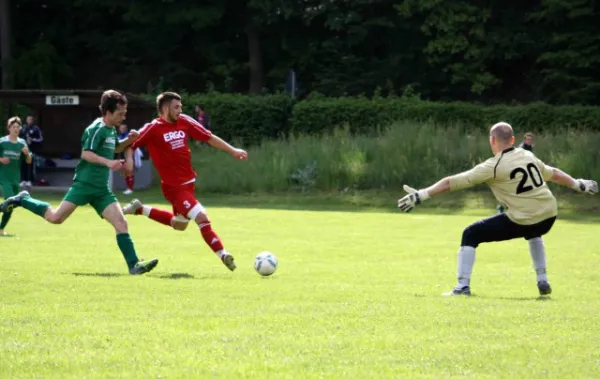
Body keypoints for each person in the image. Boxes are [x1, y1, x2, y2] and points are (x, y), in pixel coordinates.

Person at [397, 122, 598, 297]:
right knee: (533, 231)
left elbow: (452, 182)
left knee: (471, 234)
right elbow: (553, 173)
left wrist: (421, 195)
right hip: (549, 215)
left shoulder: (492, 166)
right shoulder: (527, 154)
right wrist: (578, 184)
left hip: (524, 218)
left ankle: (462, 286)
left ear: (492, 140)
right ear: (512, 139)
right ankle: (542, 278)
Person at [0, 90, 159, 275]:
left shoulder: (111, 129)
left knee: (121, 223)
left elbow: (115, 147)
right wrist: (108, 162)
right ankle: (23, 199)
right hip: (84, 184)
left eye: (125, 113)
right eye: (120, 114)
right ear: (107, 112)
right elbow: (86, 153)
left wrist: (128, 141)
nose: (124, 117)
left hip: (101, 189)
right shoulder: (96, 128)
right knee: (55, 218)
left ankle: (134, 265)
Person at [122, 92, 248, 271]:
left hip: (188, 184)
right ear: (165, 108)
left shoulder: (185, 121)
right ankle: (223, 254)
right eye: (176, 107)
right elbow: (130, 144)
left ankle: (140, 209)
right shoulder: (153, 128)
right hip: (175, 188)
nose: (180, 110)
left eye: (181, 107)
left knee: (179, 224)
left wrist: (233, 150)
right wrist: (129, 161)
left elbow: (209, 137)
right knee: (202, 218)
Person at [0, 117, 33, 236]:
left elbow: (29, 161)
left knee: (12, 205)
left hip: (15, 178)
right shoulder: (2, 142)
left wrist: (27, 154)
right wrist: (1, 159)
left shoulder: (22, 143)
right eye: (13, 127)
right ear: (9, 128)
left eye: (18, 127)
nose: (16, 129)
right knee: (10, 201)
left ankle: (1, 229)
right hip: (3, 177)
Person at [19, 115, 43, 188]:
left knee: (30, 165)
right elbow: (18, 137)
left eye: (31, 119)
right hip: (23, 150)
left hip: (31, 150)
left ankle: (29, 180)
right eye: (28, 119)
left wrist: (32, 139)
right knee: (23, 165)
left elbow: (40, 139)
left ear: (33, 120)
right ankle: (23, 180)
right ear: (26, 120)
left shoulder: (36, 129)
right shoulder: (23, 128)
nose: (29, 121)